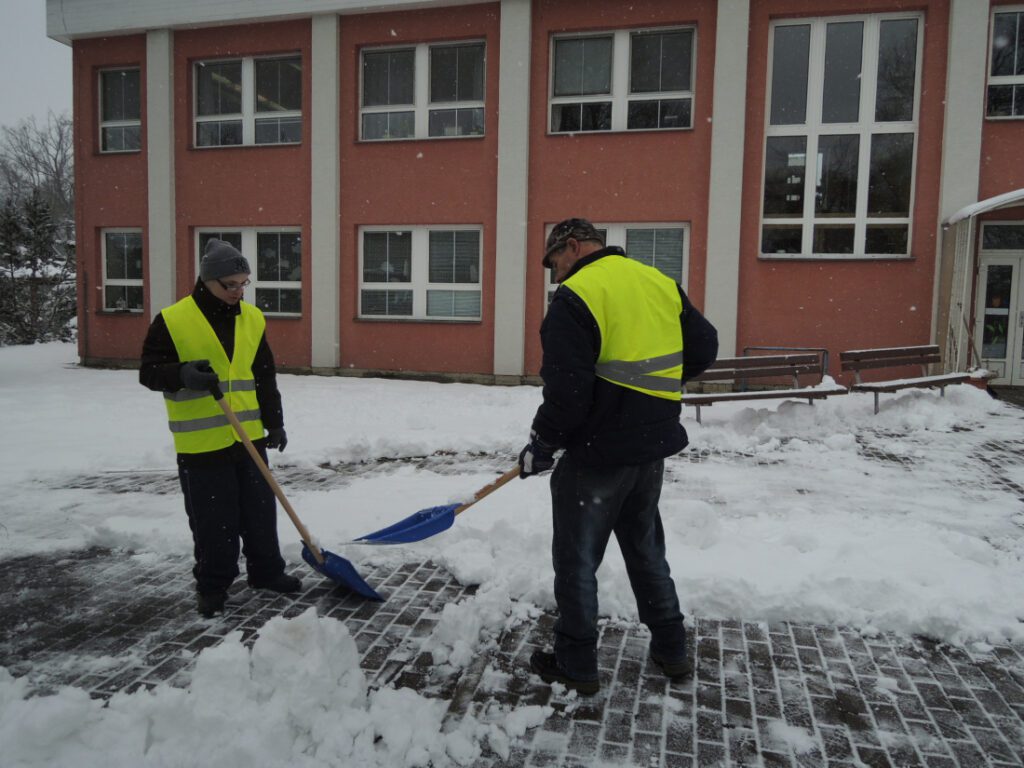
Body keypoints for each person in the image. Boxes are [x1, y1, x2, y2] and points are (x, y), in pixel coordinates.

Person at [520, 218, 718, 695]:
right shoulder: (658, 281)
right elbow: (705, 346)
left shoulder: (576, 296)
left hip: (597, 454)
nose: (557, 276)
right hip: (650, 450)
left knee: (577, 559)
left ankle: (576, 662)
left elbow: (567, 392)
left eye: (555, 264)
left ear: (572, 246)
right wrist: (650, 395)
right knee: (646, 549)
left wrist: (543, 444)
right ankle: (672, 648)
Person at [140, 238, 300, 618]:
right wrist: (181, 374)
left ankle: (267, 572)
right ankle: (213, 585)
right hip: (202, 443)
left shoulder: (253, 319)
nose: (237, 292)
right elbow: (148, 372)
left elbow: (263, 375)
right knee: (215, 523)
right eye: (230, 284)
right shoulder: (173, 319)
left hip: (249, 438)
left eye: (244, 284)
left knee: (260, 513)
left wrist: (274, 423)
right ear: (207, 280)